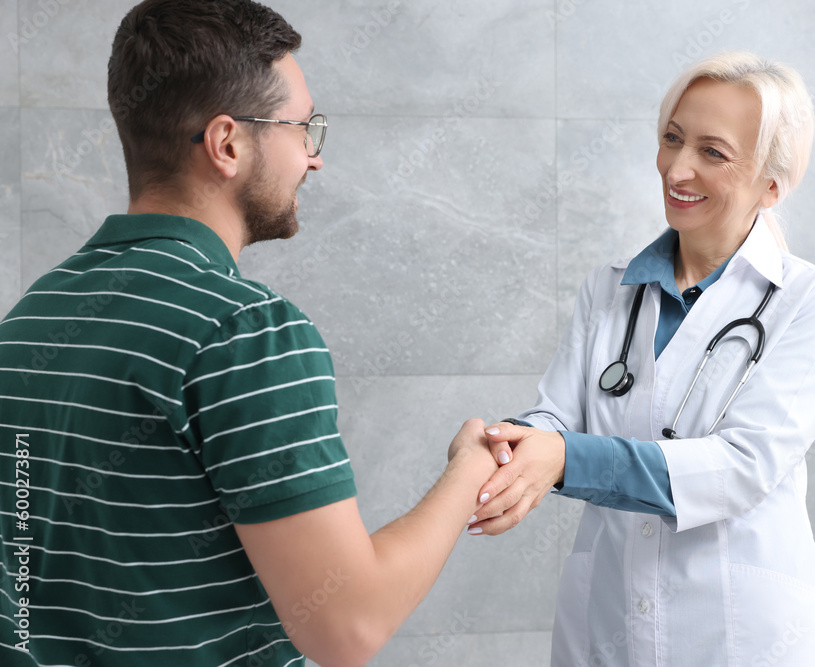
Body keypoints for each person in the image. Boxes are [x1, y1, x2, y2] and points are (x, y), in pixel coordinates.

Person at [0, 2, 497, 666]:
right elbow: (348, 626)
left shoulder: (30, 318)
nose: (313, 160)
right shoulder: (244, 332)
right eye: (303, 129)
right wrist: (470, 469)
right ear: (228, 142)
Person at [471, 52, 815, 665]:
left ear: (772, 185)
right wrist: (509, 444)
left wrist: (565, 460)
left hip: (743, 633)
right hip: (610, 619)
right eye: (672, 139)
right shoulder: (608, 288)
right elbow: (557, 416)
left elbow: (743, 465)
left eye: (712, 152)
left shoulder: (811, 300)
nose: (677, 168)